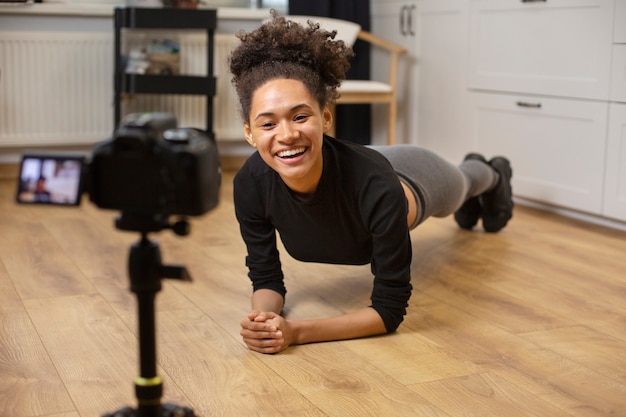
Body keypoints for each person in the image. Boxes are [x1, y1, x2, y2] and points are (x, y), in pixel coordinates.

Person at [230, 11, 513, 354]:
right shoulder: (251, 182)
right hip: (340, 157)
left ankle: (494, 173)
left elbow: (389, 310)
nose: (287, 134)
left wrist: (296, 333)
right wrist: (264, 320)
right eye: (268, 124)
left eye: (300, 116)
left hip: (412, 173)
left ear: (326, 117)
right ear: (249, 132)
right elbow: (267, 279)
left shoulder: (376, 183)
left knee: (464, 183)